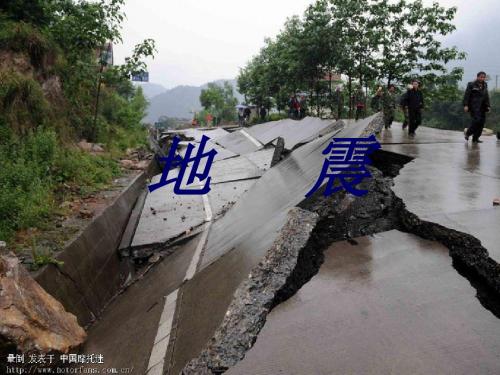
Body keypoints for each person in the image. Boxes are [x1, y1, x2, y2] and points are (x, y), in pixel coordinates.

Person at [463, 71, 491, 143]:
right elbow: (467, 95)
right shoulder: (471, 84)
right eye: (481, 77)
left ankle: (475, 138)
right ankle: (468, 133)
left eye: (484, 77)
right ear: (477, 77)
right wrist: (466, 105)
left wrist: (488, 106)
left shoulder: (485, 85)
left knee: (481, 123)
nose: (482, 78)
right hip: (474, 106)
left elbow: (486, 96)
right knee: (477, 120)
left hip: (482, 107)